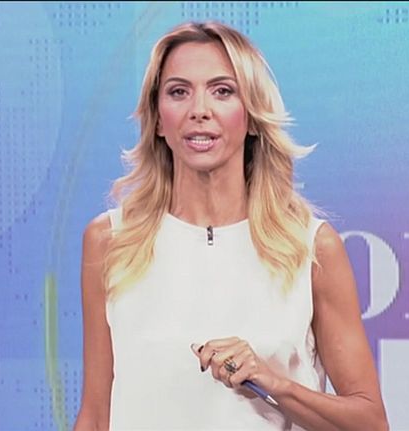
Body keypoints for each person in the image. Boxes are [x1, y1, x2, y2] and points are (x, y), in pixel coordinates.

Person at [74, 21, 388, 431]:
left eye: (222, 91)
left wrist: (273, 383)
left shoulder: (310, 248)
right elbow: (95, 416)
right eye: (178, 92)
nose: (199, 110)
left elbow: (369, 422)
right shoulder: (111, 241)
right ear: (158, 119)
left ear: (252, 116)